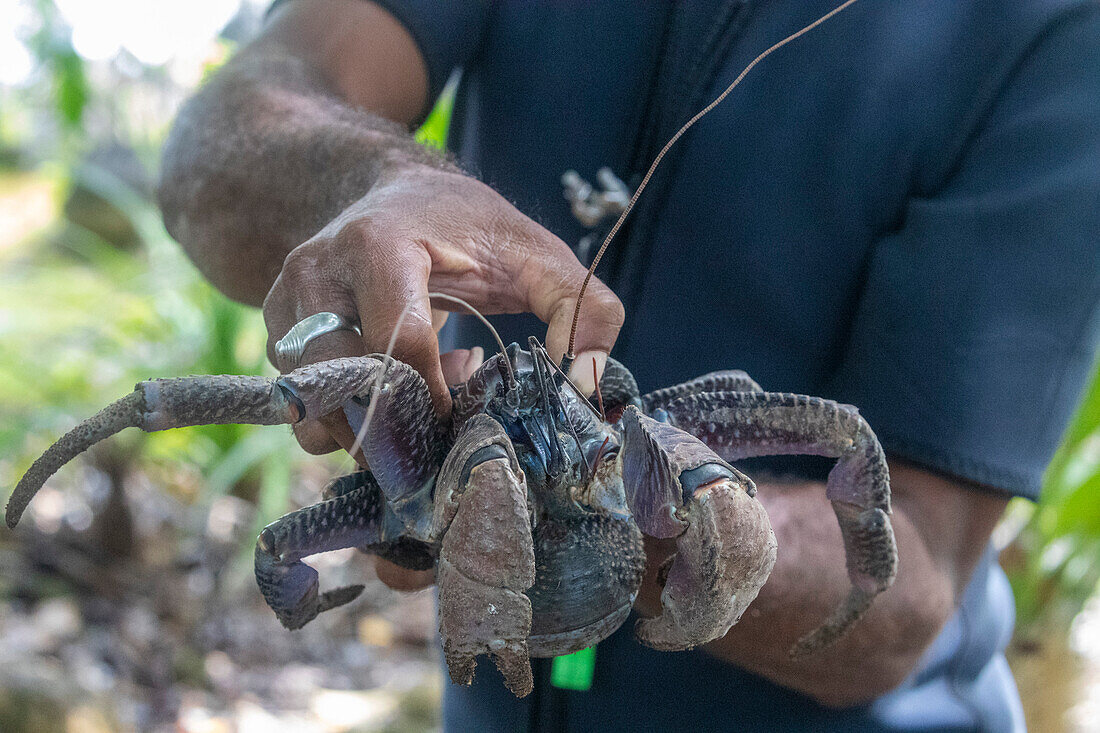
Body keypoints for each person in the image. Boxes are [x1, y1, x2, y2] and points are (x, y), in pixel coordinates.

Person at [157, 0, 1100, 730]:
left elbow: (911, 580)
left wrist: (627, 503)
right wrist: (367, 183)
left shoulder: (1054, 37)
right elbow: (231, 122)